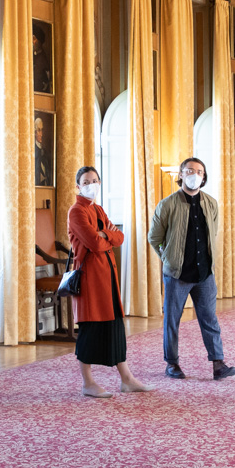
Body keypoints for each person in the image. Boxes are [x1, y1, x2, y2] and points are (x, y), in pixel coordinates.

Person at [149, 158, 235, 381]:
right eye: (189, 170)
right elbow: (154, 238)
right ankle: (172, 363)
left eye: (199, 171)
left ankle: (218, 363)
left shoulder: (211, 203)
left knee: (209, 319)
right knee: (172, 320)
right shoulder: (167, 204)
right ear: (181, 174)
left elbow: (211, 234)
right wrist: (167, 258)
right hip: (177, 274)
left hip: (204, 273)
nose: (194, 174)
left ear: (204, 177)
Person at [68, 167, 152, 397]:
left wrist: (105, 234)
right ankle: (88, 382)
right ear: (78, 186)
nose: (91, 184)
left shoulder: (98, 209)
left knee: (114, 326)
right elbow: (95, 243)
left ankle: (126, 379)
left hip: (108, 278)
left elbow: (120, 237)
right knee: (91, 329)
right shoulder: (77, 212)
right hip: (90, 281)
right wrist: (105, 235)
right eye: (86, 181)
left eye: (95, 180)